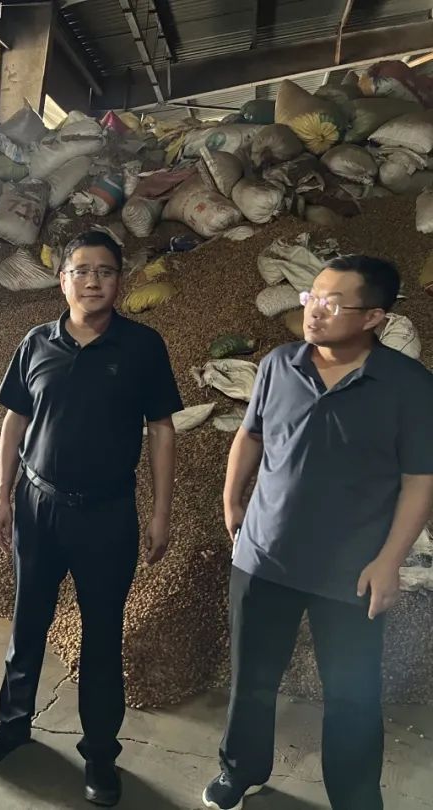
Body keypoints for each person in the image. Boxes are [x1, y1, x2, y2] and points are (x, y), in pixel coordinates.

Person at [202, 256, 433, 810]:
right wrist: (232, 499)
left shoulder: (408, 386)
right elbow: (250, 435)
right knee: (252, 679)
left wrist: (390, 561)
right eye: (312, 297)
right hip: (264, 557)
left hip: (351, 572)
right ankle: (241, 769)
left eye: (333, 302)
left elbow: (419, 481)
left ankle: (355, 798)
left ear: (374, 317)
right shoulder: (279, 365)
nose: (314, 311)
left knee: (352, 695)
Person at [0, 231, 182, 807]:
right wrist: (1, 498)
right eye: (81, 270)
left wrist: (160, 514)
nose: (93, 281)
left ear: (120, 282)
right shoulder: (36, 342)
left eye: (105, 271)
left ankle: (100, 754)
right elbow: (14, 422)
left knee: (103, 635)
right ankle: (12, 723)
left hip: (108, 513)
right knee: (28, 623)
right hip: (38, 507)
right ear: (62, 280)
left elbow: (162, 430)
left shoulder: (142, 347)